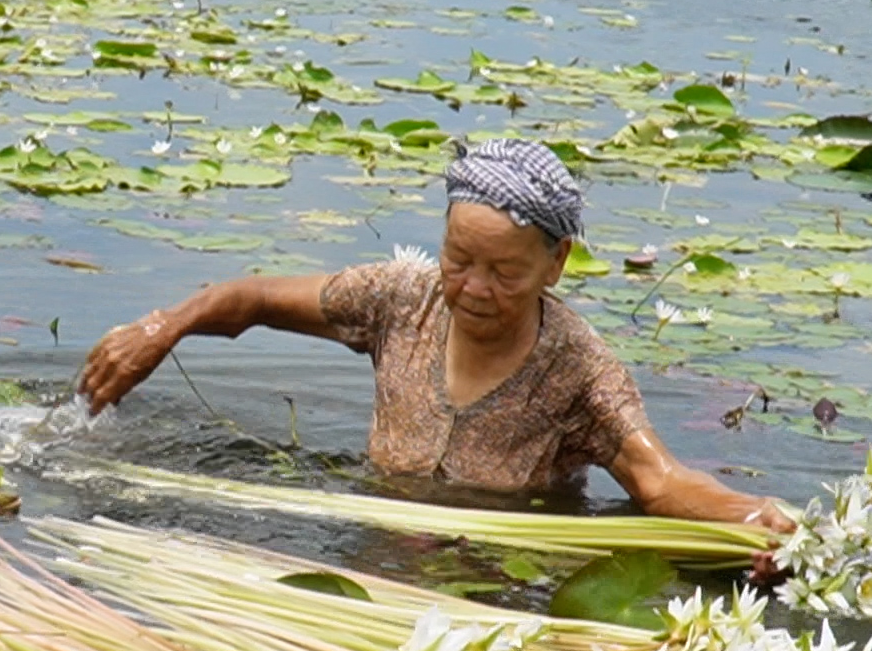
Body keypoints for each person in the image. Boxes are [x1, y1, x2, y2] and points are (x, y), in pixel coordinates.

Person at [77, 138, 794, 535]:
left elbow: (659, 482)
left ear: (556, 263)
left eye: (503, 272)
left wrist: (756, 518)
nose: (473, 288)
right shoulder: (400, 301)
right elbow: (256, 298)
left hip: (493, 570)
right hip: (373, 534)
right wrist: (159, 329)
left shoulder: (579, 370)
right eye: (458, 261)